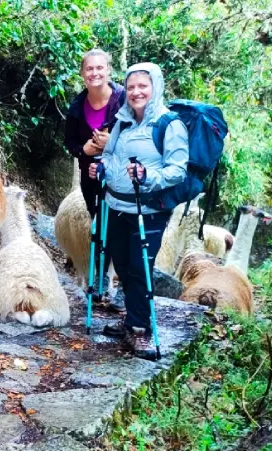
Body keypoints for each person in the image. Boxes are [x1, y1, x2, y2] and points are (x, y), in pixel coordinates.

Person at [88, 62, 188, 360]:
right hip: (116, 205)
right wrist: (102, 168)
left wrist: (147, 176)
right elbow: (111, 155)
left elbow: (177, 170)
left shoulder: (169, 125)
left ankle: (140, 330)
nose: (136, 92)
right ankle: (130, 319)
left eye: (143, 86)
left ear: (155, 87)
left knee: (140, 267)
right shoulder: (122, 121)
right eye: (131, 87)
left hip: (148, 211)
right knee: (121, 264)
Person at [64, 48, 126, 308]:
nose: (95, 73)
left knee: (118, 226)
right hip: (90, 176)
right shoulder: (77, 107)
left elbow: (139, 135)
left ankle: (118, 283)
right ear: (82, 73)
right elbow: (70, 141)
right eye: (89, 69)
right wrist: (84, 151)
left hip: (120, 176)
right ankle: (99, 278)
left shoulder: (123, 100)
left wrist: (112, 144)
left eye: (99, 68)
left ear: (108, 70)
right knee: (98, 224)